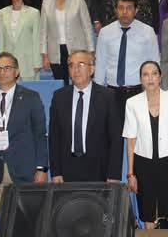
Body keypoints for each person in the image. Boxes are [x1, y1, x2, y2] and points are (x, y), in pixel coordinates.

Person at [0, 52, 48, 213]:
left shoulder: (31, 97)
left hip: (25, 170)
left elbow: (40, 135)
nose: (2, 72)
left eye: (7, 68)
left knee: (28, 219)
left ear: (16, 72)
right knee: (3, 220)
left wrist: (41, 168)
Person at [48, 48, 122, 184]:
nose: (76, 70)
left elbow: (116, 139)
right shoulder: (59, 97)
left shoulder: (108, 97)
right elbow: (54, 138)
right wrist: (56, 171)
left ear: (91, 69)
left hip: (100, 170)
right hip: (67, 170)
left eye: (81, 64)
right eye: (71, 65)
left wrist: (114, 174)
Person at [124, 61, 168, 229]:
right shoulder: (132, 103)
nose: (150, 78)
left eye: (154, 74)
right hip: (143, 164)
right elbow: (131, 140)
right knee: (147, 211)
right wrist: (130, 174)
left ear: (160, 77)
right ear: (141, 79)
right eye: (145, 74)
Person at [95, 0, 159, 116]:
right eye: (121, 8)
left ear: (136, 10)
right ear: (115, 10)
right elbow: (100, 64)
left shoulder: (148, 32)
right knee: (114, 127)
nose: (124, 12)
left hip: (138, 91)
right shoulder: (105, 32)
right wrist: (98, 93)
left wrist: (154, 91)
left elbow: (155, 63)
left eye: (129, 8)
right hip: (112, 92)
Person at [40, 0, 94, 85]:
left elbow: (87, 27)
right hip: (55, 51)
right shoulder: (46, 2)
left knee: (79, 81)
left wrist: (90, 51)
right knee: (61, 84)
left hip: (77, 49)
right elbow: (43, 31)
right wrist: (44, 55)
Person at [0, 0, 42, 80]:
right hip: (8, 64)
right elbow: (0, 40)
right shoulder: (1, 13)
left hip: (28, 63)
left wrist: (37, 62)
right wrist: (0, 63)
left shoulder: (34, 13)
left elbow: (37, 39)